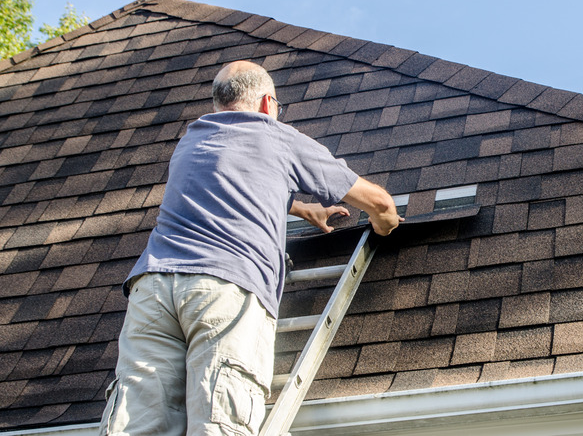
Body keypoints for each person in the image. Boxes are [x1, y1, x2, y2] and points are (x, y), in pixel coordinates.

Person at [99, 60, 401, 436]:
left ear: (218, 104)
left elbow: (232, 177)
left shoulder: (193, 139)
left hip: (153, 289)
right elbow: (380, 204)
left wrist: (298, 206)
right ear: (267, 104)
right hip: (222, 288)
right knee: (220, 421)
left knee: (138, 424)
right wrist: (384, 226)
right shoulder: (276, 135)